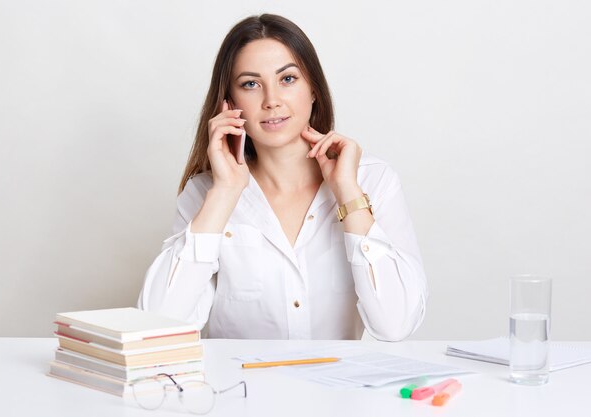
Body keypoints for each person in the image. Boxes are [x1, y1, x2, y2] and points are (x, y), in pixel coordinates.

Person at [138, 14, 427, 341]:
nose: (271, 100)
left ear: (313, 89)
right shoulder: (205, 193)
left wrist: (348, 193)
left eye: (287, 79)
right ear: (230, 103)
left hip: (337, 390)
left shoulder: (374, 181)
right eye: (251, 84)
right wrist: (225, 193)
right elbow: (157, 329)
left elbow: (396, 325)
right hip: (240, 390)